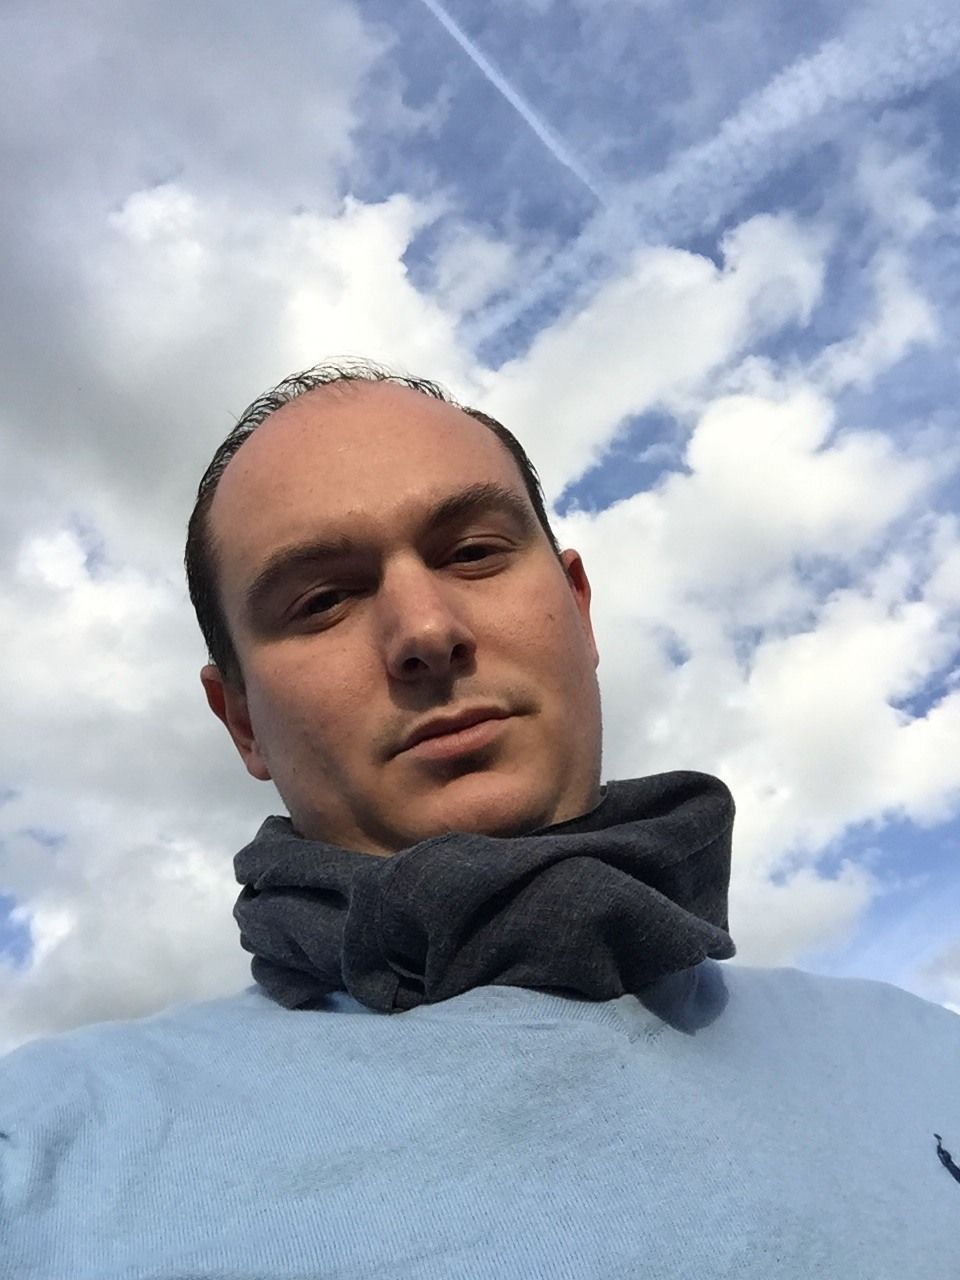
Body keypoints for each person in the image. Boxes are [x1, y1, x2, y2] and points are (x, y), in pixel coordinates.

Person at [2, 360, 958, 1279]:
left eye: (473, 553)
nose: (425, 631)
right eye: (322, 600)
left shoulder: (923, 1055)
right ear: (242, 720)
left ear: (580, 609)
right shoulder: (40, 1151)